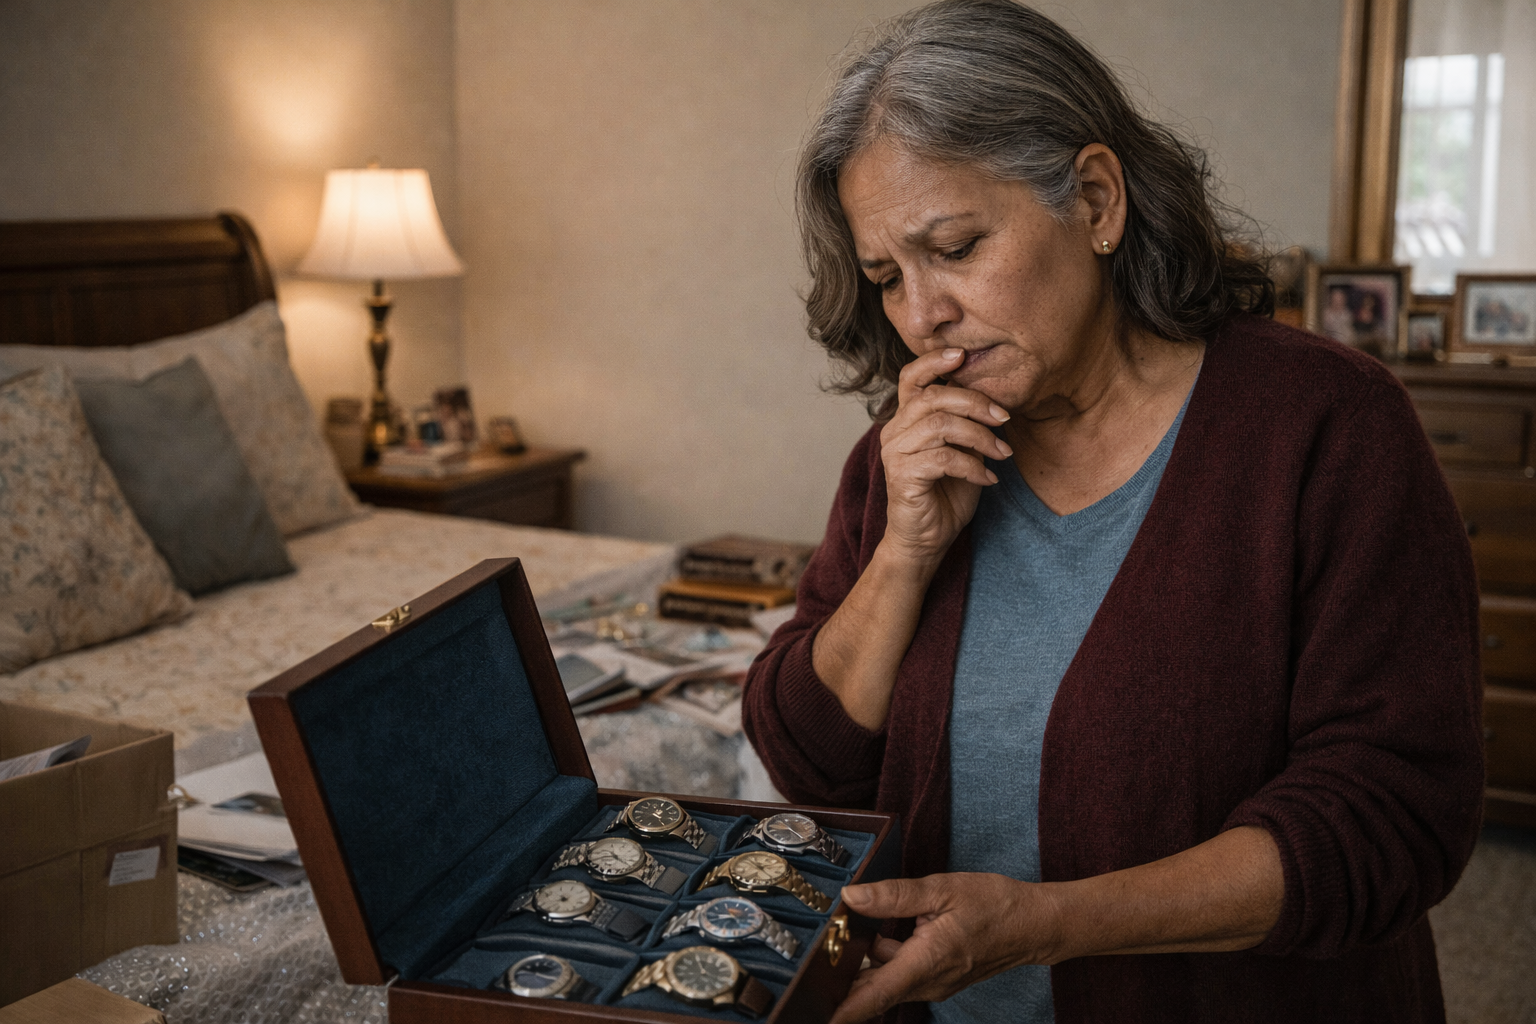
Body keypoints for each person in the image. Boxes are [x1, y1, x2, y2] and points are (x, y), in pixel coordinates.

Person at [739, 3, 1484, 1023]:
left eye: (953, 246)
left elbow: (1394, 815)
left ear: (1094, 200)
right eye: (886, 277)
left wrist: (1046, 922)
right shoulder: (906, 455)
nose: (920, 315)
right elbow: (805, 758)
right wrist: (904, 556)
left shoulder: (1330, 430)